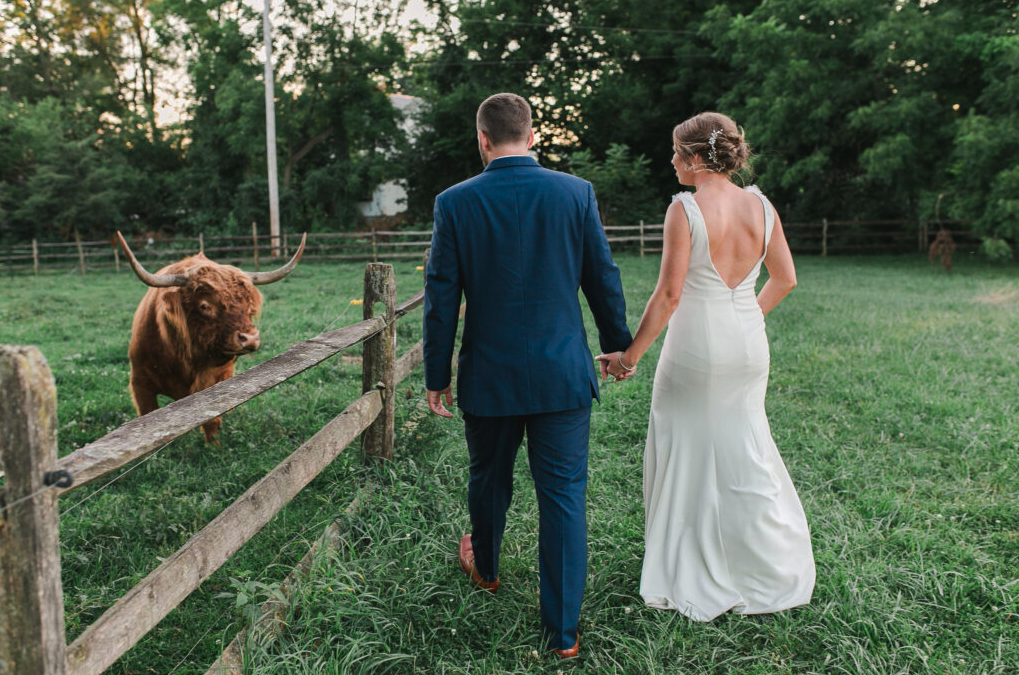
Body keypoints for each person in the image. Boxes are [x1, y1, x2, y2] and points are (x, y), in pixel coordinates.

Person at [423, 92, 632, 656]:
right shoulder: (575, 193)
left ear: (483, 139)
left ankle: (486, 569)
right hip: (563, 374)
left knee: (489, 479)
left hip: (489, 378)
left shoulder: (455, 203)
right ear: (532, 135)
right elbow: (602, 277)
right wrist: (617, 346)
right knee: (563, 497)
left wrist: (435, 375)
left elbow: (441, 299)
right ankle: (563, 635)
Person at [597, 111, 815, 621]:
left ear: (697, 157)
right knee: (746, 447)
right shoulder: (761, 205)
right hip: (748, 345)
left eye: (676, 152)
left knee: (688, 449)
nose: (671, 161)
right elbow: (784, 279)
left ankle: (691, 564)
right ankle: (768, 563)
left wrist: (629, 358)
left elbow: (670, 295)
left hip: (696, 348)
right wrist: (742, 317)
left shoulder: (685, 209)